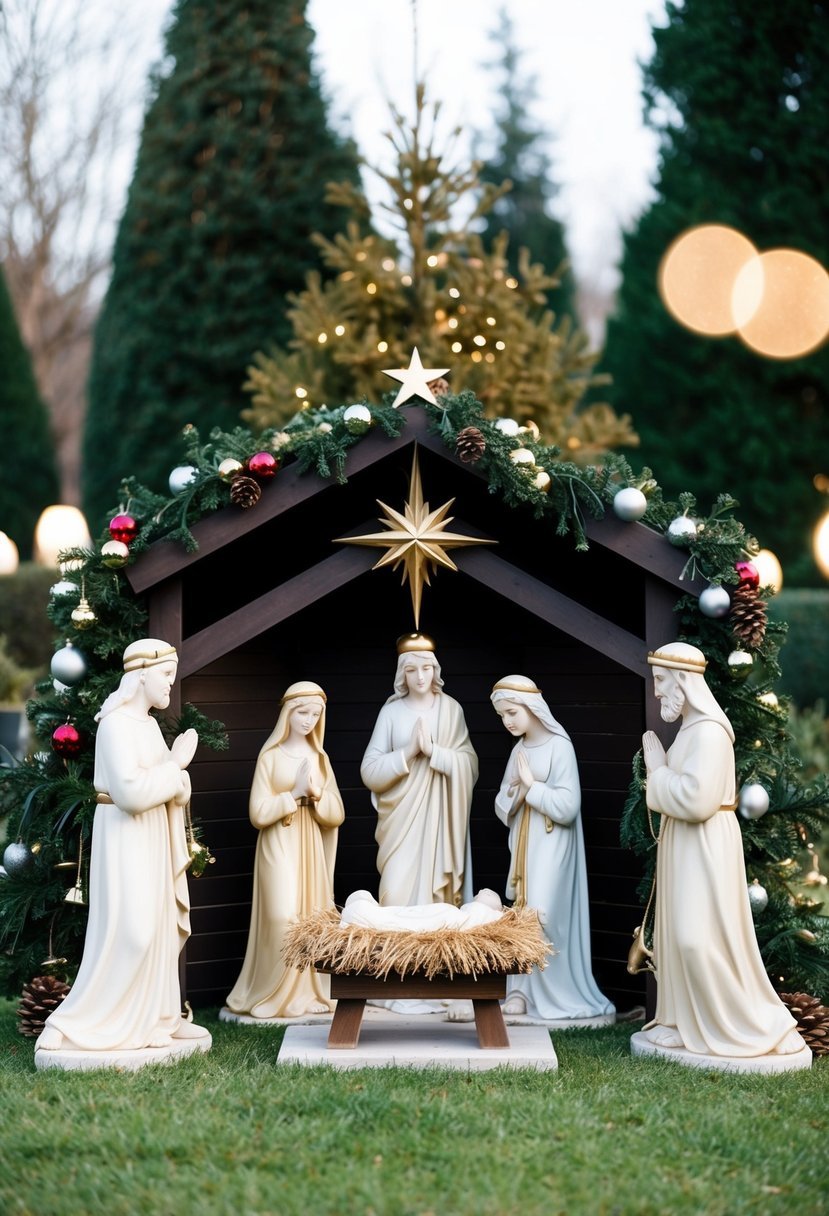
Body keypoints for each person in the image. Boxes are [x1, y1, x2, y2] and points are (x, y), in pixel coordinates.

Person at [36, 639, 210, 1057]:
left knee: (159, 925)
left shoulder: (148, 725)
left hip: (152, 833)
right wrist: (176, 766)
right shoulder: (115, 724)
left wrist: (176, 776)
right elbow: (131, 793)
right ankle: (71, 1023)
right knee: (133, 931)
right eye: (166, 675)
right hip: (126, 832)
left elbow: (171, 790)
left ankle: (160, 1018)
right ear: (141, 675)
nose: (171, 683)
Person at [641, 642, 802, 1057]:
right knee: (676, 933)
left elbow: (697, 801)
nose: (657, 691)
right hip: (685, 843)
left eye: (661, 681)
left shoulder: (710, 734)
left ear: (683, 681)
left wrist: (657, 773)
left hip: (704, 843)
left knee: (697, 937)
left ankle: (757, 1026)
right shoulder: (691, 731)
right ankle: (680, 1021)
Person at [491, 675, 614, 1023]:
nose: (508, 721)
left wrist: (532, 788)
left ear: (532, 708)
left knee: (546, 915)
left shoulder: (560, 747)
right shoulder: (519, 750)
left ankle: (556, 993)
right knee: (522, 912)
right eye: (502, 716)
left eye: (512, 712)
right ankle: (521, 991)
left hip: (554, 846)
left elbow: (568, 807)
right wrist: (517, 792)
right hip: (526, 845)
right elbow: (502, 803)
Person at [225, 681, 344, 1019]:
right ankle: (271, 992)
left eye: (316, 714)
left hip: (310, 844)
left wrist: (317, 794)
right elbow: (258, 813)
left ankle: (308, 992)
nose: (308, 720)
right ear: (287, 713)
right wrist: (293, 794)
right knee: (281, 915)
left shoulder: (320, 758)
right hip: (279, 842)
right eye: (302, 712)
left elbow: (337, 813)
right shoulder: (271, 757)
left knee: (311, 917)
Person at [361, 634, 478, 908]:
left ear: (435, 669)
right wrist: (409, 752)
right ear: (402, 673)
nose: (420, 677)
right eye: (411, 670)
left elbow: (469, 765)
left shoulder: (451, 709)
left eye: (426, 668)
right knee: (394, 897)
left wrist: (433, 752)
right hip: (400, 822)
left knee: (438, 909)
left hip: (441, 822)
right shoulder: (390, 713)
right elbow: (369, 771)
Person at [340, 887, 504, 932]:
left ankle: (362, 911)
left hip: (445, 919)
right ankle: (364, 911)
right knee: (402, 916)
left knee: (398, 918)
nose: (481, 892)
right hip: (442, 917)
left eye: (488, 893)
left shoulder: (480, 913)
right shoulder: (461, 913)